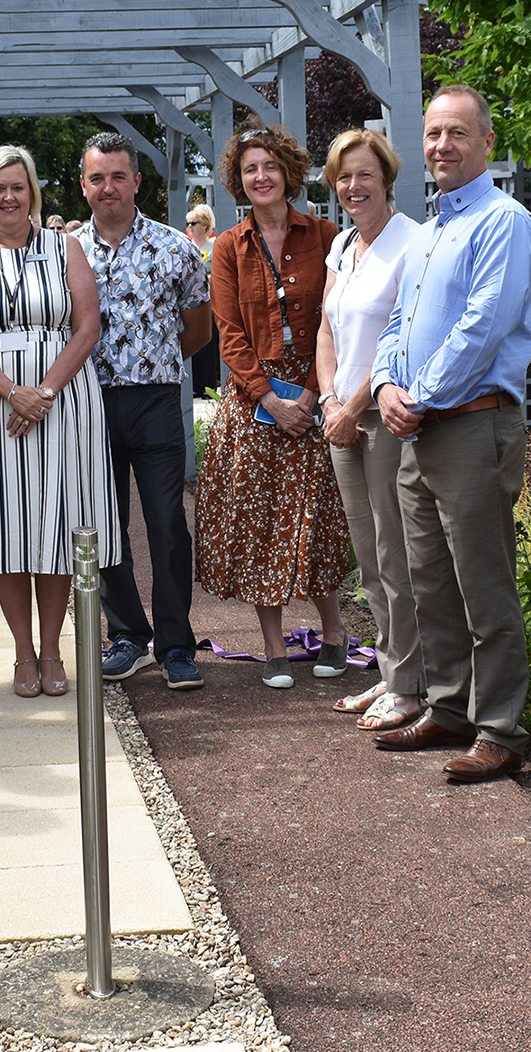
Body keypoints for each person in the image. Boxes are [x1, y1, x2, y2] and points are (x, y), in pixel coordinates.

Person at [371, 84, 531, 784]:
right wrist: (385, 387)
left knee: (484, 585)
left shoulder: (504, 224)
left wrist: (417, 397)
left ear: (487, 143)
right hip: (422, 428)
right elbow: (396, 323)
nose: (442, 145)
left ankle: (500, 729)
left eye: (458, 133)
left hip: (471, 424)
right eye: (434, 134)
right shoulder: (429, 231)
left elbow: (483, 327)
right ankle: (448, 707)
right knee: (431, 583)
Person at [0, 145, 120, 698]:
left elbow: (87, 327)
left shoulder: (64, 246)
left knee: (56, 522)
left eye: (18, 187)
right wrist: (12, 393)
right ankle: (22, 651)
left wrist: (42, 393)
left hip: (63, 399)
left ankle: (52, 650)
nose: (9, 197)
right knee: (8, 526)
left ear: (32, 192)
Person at [194, 123, 349, 689]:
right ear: (239, 181)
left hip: (315, 395)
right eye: (249, 169)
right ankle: (274, 645)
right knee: (259, 521)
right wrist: (268, 398)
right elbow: (229, 331)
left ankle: (335, 632)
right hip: (253, 402)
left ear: (288, 172)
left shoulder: (328, 236)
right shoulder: (228, 247)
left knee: (318, 518)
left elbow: (336, 319)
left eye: (269, 166)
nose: (261, 177)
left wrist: (309, 392)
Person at [79, 133, 212, 691]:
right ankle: (128, 636)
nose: (108, 187)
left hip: (156, 401)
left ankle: (176, 644)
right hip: (90, 406)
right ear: (84, 185)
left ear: (136, 181)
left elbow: (198, 328)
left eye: (118, 176)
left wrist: (154, 361)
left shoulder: (174, 248)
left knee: (168, 525)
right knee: (105, 525)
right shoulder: (65, 252)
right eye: (97, 178)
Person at [314, 129, 424, 731]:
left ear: (387, 178)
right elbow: (326, 329)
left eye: (364, 174)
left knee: (394, 551)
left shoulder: (412, 242)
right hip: (344, 419)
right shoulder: (343, 245)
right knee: (368, 554)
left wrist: (353, 406)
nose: (353, 186)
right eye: (343, 177)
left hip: (383, 417)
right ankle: (390, 671)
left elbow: (401, 340)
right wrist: (331, 401)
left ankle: (410, 685)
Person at [185, 204, 221, 396]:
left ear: (205, 226)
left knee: (209, 344)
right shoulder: (186, 245)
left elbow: (219, 274)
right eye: (188, 223)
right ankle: (195, 386)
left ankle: (209, 385)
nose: (190, 226)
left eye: (194, 223)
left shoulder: (214, 247)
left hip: (211, 303)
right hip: (190, 304)